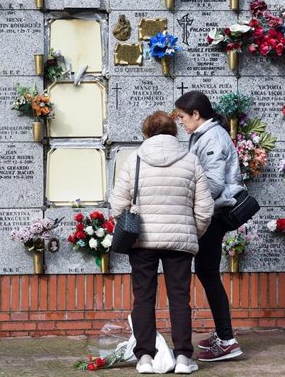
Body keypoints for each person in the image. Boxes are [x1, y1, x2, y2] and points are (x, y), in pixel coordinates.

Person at [110, 111, 214, 375]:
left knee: (143, 297)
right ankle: (182, 358)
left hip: (142, 241)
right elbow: (204, 208)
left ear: (146, 132)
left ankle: (144, 358)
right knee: (180, 298)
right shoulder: (190, 161)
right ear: (173, 132)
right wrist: (191, 232)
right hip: (179, 242)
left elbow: (118, 205)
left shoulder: (133, 161)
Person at [174, 91, 245, 362]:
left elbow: (214, 184)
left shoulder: (212, 137)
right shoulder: (203, 135)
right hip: (210, 213)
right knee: (208, 274)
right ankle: (224, 334)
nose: (180, 122)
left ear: (195, 114)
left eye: (182, 116)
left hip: (214, 214)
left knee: (209, 275)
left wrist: (185, 199)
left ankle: (227, 340)